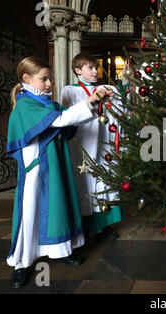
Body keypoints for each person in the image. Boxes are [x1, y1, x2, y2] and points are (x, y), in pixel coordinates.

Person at [6, 56, 112, 288]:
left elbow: (66, 122)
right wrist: (91, 100)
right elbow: (62, 119)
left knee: (59, 205)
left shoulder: (47, 103)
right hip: (37, 169)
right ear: (26, 79)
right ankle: (22, 263)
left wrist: (91, 104)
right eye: (44, 79)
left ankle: (61, 249)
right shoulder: (26, 104)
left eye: (51, 79)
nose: (49, 84)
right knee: (31, 212)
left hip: (56, 163)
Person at [61, 53, 125, 243]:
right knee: (85, 183)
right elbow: (67, 115)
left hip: (104, 143)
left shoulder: (107, 88)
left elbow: (121, 109)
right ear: (78, 70)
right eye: (89, 68)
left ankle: (105, 224)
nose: (95, 71)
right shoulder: (70, 91)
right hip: (82, 143)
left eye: (95, 67)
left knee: (104, 181)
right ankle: (85, 227)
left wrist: (121, 91)